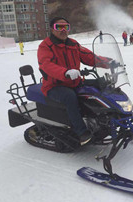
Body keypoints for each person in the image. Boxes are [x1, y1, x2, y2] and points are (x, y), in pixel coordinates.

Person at [37, 17, 106, 146]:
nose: (63, 30)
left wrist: (108, 63)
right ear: (52, 29)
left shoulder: (73, 44)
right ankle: (81, 132)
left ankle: (107, 118)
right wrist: (65, 73)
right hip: (54, 86)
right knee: (69, 96)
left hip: (74, 82)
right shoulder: (46, 46)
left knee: (100, 84)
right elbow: (46, 65)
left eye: (66, 27)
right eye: (59, 27)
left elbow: (89, 57)